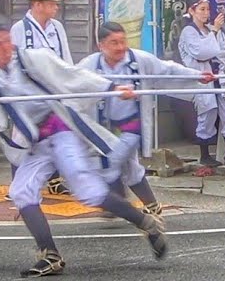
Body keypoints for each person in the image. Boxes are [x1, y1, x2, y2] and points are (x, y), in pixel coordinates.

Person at [0, 14, 167, 277]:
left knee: (88, 190)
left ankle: (147, 222)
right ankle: (50, 254)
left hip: (61, 129)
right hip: (35, 141)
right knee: (21, 191)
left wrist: (112, 87)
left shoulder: (33, 58)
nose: (6, 48)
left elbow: (71, 75)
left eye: (8, 41)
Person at [78, 21, 206, 217]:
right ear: (101, 45)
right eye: (114, 43)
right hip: (105, 127)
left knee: (110, 162)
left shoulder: (139, 60)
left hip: (132, 125)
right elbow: (70, 79)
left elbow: (168, 69)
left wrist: (198, 75)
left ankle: (117, 202)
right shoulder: (90, 64)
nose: (120, 47)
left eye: (123, 41)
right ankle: (150, 206)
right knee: (130, 167)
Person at [10, 0, 73, 195]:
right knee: (22, 136)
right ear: (37, 4)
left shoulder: (57, 27)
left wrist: (69, 85)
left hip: (53, 89)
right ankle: (16, 184)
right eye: (51, 4)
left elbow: (65, 58)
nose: (56, 8)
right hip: (29, 91)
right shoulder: (20, 29)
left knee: (54, 133)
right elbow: (14, 63)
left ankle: (54, 180)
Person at [179, 0, 225, 168]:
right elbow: (200, 52)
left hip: (221, 75)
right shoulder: (189, 32)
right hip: (202, 77)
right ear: (192, 11)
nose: (206, 13)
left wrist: (213, 42)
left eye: (207, 9)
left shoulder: (213, 29)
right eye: (202, 9)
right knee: (208, 112)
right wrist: (213, 41)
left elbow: (224, 49)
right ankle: (205, 155)